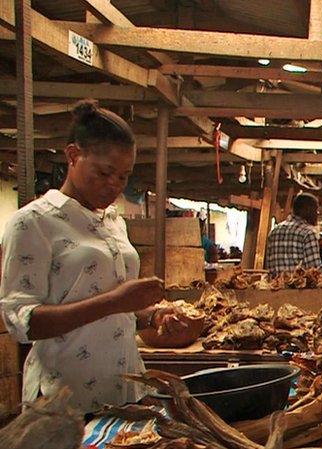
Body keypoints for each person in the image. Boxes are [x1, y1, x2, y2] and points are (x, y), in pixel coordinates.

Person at [0, 100, 192, 414]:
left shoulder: (113, 222)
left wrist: (150, 316)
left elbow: (119, 311)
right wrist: (117, 301)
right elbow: (22, 322)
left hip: (125, 390)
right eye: (104, 173)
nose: (114, 185)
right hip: (64, 400)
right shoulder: (33, 223)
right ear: (73, 156)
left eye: (123, 176)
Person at [264, 193, 322, 273]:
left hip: (276, 284)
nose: (317, 213)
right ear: (308, 210)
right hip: (298, 285)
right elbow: (315, 269)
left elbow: (269, 265)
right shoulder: (308, 233)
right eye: (316, 210)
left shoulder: (274, 231)